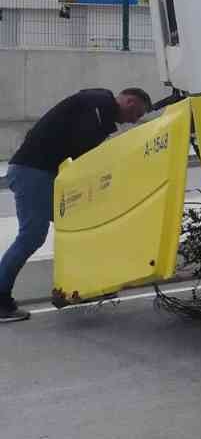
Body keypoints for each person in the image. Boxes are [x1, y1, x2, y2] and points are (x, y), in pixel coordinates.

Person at [1, 87, 152, 322]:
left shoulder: (98, 110)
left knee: (82, 223)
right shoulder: (98, 103)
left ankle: (81, 287)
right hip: (33, 172)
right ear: (130, 102)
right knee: (31, 236)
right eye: (136, 115)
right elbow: (85, 150)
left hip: (41, 173)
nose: (133, 121)